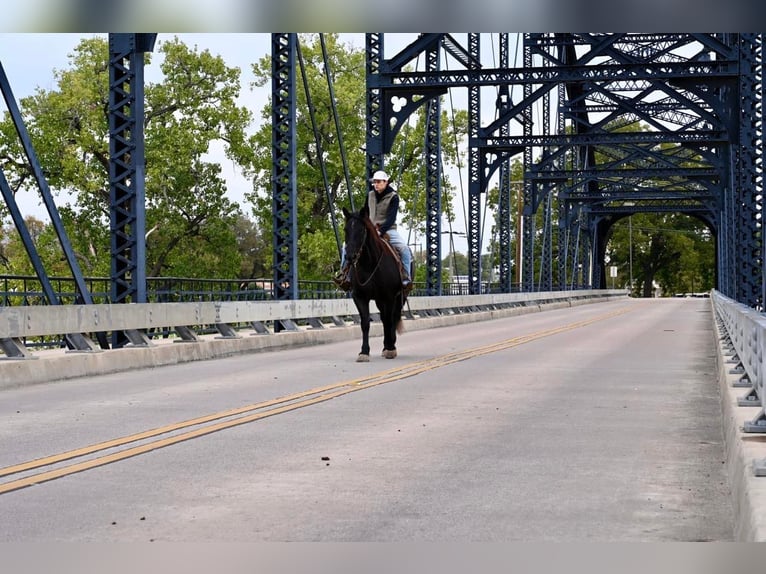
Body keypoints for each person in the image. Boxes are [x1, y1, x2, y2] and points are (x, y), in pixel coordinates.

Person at [334, 170, 412, 292]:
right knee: (346, 247)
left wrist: (380, 231)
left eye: (379, 182)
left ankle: (406, 278)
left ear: (386, 182)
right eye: (374, 182)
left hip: (388, 230)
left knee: (404, 249)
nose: (376, 184)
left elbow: (391, 219)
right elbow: (365, 213)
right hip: (370, 229)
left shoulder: (393, 197)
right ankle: (345, 276)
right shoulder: (370, 195)